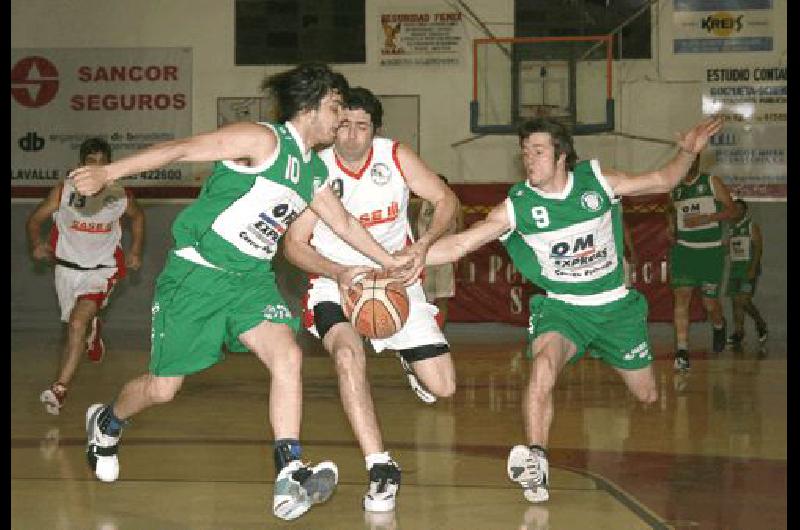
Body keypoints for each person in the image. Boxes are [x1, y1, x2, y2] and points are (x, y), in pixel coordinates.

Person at [69, 64, 413, 521]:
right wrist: (108, 172)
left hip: (250, 280)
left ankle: (289, 470)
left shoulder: (311, 170)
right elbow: (181, 148)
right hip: (197, 276)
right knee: (163, 389)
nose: (340, 118)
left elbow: (345, 223)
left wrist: (389, 262)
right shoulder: (263, 141)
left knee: (287, 355)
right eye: (335, 107)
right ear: (310, 108)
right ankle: (108, 423)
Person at [424, 116, 723, 503]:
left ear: (561, 155)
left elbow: (664, 180)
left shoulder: (597, 182)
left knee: (647, 395)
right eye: (524, 152)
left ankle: (609, 354)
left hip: (616, 308)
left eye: (538, 151)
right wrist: (397, 260)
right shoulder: (518, 205)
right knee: (543, 365)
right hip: (563, 309)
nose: (528, 159)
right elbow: (458, 246)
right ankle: (536, 462)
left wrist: (687, 153)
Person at [283, 87, 459, 513]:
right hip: (334, 282)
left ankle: (407, 358)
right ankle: (380, 467)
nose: (351, 136)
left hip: (395, 279)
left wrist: (424, 244)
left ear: (375, 130)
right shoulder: (317, 167)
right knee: (347, 356)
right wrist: (338, 272)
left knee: (445, 387)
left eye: (362, 127)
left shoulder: (396, 156)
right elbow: (294, 244)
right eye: (343, 125)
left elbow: (445, 200)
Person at [27, 138, 145, 415]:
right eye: (91, 162)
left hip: (102, 270)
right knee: (76, 323)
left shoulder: (119, 195)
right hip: (67, 270)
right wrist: (36, 243)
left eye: (102, 162)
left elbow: (138, 217)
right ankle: (93, 330)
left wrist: (135, 250)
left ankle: (59, 389)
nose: (96, 168)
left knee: (77, 324)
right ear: (80, 166)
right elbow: (34, 220)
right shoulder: (64, 191)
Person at [666, 156, 737, 370]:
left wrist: (706, 219)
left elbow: (732, 210)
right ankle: (682, 351)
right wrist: (670, 227)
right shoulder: (675, 188)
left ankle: (718, 324)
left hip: (710, 252)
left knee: (709, 304)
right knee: (682, 297)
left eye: (693, 160)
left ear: (697, 162)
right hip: (684, 250)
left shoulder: (711, 182)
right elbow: (670, 209)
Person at [416, 174, 463, 329]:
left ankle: (439, 332)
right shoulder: (419, 203)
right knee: (422, 298)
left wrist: (460, 256)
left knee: (442, 298)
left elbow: (460, 230)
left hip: (446, 255)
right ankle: (423, 333)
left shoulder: (454, 204)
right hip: (425, 256)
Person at [725, 199, 768, 347]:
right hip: (735, 271)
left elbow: (758, 248)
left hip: (748, 270)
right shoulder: (731, 228)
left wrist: (753, 268)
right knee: (735, 303)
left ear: (745, 211)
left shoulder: (751, 226)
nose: (736, 211)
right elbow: (729, 248)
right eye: (734, 208)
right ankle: (739, 332)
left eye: (739, 209)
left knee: (744, 300)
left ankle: (761, 324)